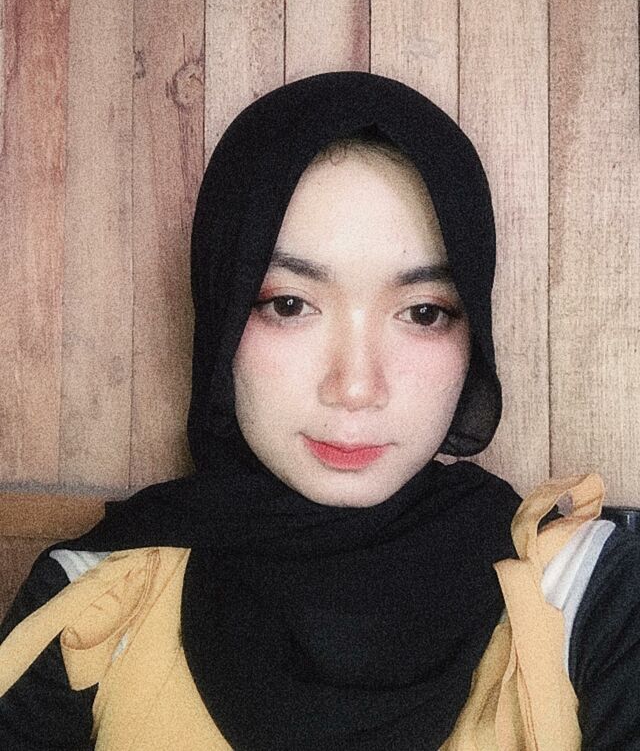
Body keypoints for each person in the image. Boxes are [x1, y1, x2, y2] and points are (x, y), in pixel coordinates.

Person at [1, 71, 639, 750]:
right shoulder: (92, 603)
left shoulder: (587, 596)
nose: (355, 387)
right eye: (289, 305)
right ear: (222, 313)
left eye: (424, 312)